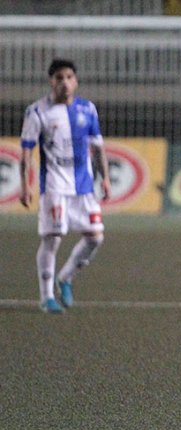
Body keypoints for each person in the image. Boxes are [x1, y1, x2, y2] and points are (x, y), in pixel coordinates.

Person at [19, 58, 111, 314]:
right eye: (59, 78)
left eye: (69, 77)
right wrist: (25, 186)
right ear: (51, 81)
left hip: (83, 186)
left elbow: (98, 147)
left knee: (95, 237)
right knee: (53, 238)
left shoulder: (88, 109)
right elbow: (26, 152)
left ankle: (66, 277)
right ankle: (47, 296)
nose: (65, 83)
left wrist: (105, 177)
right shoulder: (37, 112)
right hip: (55, 186)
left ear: (76, 80)